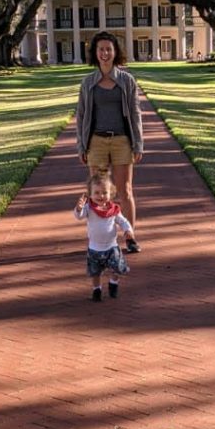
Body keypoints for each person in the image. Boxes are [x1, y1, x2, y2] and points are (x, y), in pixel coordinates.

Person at [74, 30, 143, 252]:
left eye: (109, 49)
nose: (105, 53)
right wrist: (81, 145)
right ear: (95, 53)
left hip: (122, 140)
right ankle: (99, 240)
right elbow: (81, 115)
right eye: (101, 49)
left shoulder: (126, 80)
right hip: (96, 142)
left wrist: (138, 143)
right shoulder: (88, 83)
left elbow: (135, 113)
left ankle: (130, 236)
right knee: (98, 191)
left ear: (115, 52)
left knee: (125, 190)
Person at [74, 171, 132, 301]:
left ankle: (113, 283)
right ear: (90, 194)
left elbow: (122, 221)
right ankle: (97, 289)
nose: (101, 196)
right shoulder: (88, 209)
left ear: (110, 193)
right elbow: (79, 216)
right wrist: (78, 208)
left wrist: (128, 230)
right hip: (95, 248)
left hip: (112, 247)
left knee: (117, 268)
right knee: (95, 272)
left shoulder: (113, 209)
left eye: (104, 192)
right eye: (97, 193)